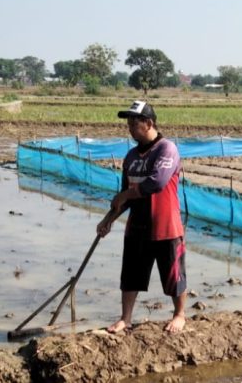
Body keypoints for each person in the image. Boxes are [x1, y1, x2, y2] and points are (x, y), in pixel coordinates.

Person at [96, 100, 188, 334]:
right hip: (137, 226)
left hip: (165, 225)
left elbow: (156, 183)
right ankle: (125, 318)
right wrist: (109, 218)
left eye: (133, 123)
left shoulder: (166, 149)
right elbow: (125, 197)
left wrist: (125, 193)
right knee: (131, 276)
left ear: (148, 123)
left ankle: (179, 315)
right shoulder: (131, 157)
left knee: (173, 274)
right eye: (128, 123)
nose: (129, 127)